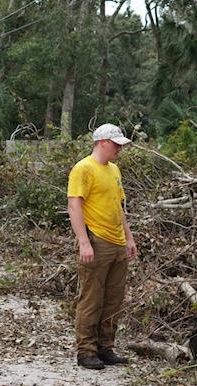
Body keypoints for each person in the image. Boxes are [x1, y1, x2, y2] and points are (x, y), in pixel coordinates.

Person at [67, 123, 138, 370]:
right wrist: (84, 241)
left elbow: (119, 208)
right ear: (103, 142)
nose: (119, 149)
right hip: (97, 241)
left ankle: (105, 347)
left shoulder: (114, 170)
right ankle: (86, 350)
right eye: (117, 144)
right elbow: (74, 206)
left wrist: (129, 238)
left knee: (113, 299)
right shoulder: (83, 169)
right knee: (92, 298)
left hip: (117, 242)